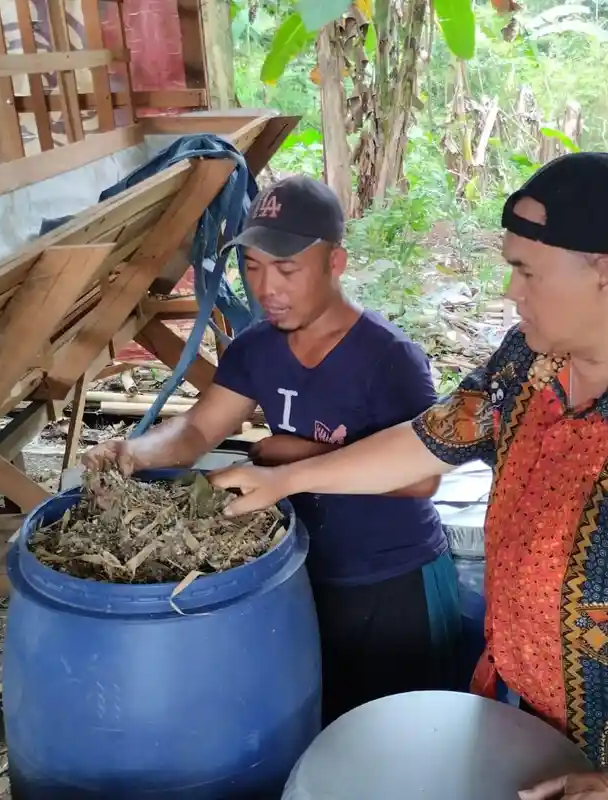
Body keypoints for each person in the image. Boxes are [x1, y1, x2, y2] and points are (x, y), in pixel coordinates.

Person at [210, 154, 608, 800]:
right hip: (517, 716)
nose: (509, 292)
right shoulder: (531, 361)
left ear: (603, 271)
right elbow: (427, 441)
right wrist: (284, 482)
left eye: (525, 271)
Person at [81, 175, 461, 726]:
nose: (267, 288)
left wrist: (289, 456)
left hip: (392, 582)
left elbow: (423, 480)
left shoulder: (390, 358)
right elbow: (193, 432)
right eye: (254, 267)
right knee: (319, 727)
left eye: (286, 269)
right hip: (296, 574)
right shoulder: (256, 349)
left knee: (400, 736)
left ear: (336, 263)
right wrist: (133, 452)